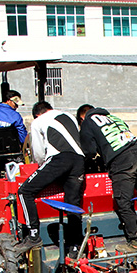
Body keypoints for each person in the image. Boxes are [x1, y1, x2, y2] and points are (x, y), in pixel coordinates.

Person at [77, 104, 137, 250]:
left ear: (81, 118)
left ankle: (134, 241)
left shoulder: (88, 122)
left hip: (122, 162)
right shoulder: (113, 117)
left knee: (123, 202)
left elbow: (89, 151)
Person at [14, 102, 86, 253]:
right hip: (79, 160)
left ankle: (33, 235)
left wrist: (41, 167)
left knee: (24, 192)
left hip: (59, 159)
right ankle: (74, 246)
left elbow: (39, 152)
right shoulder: (68, 116)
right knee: (73, 203)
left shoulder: (38, 121)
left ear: (37, 114)